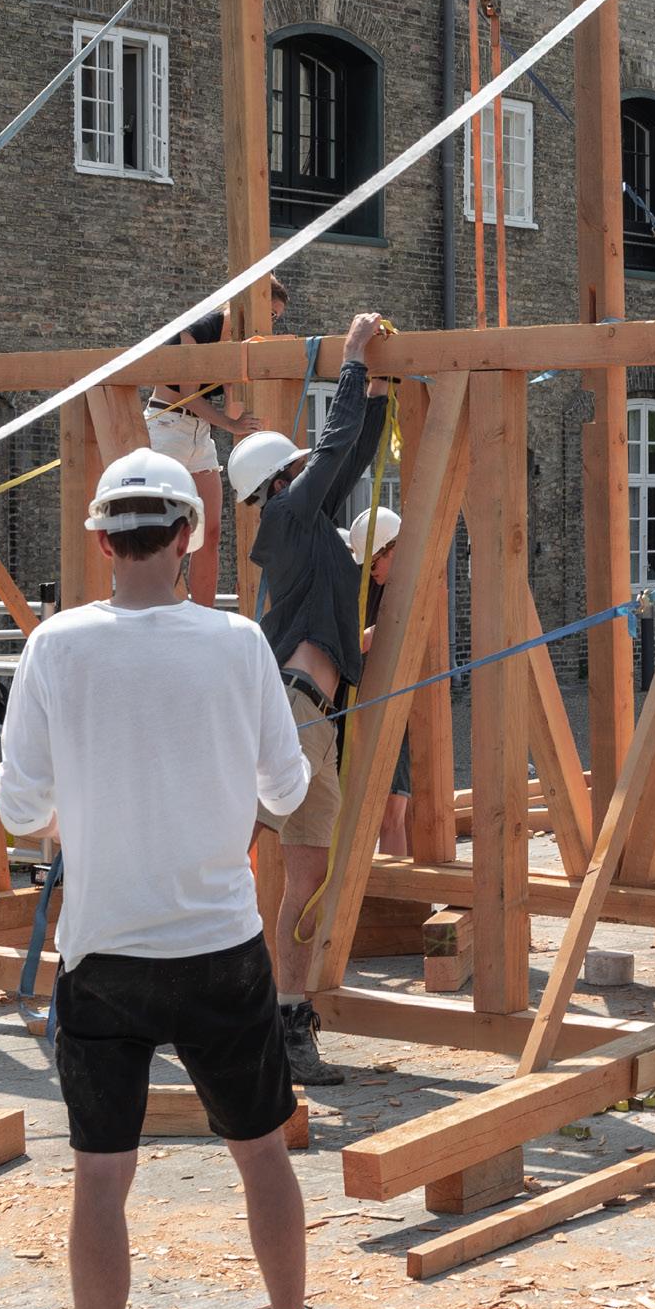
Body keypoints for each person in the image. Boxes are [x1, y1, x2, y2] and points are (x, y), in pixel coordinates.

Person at [0, 449, 323, 1309]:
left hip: (107, 951)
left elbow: (18, 805)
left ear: (101, 538)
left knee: (101, 1177)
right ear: (189, 536)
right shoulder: (236, 643)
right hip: (222, 944)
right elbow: (288, 788)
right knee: (262, 1149)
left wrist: (76, 811)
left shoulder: (57, 646)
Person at [226, 310, 389, 1085]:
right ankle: (183, 989)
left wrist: (378, 395)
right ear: (280, 482)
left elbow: (347, 457)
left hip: (318, 723)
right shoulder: (290, 517)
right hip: (292, 714)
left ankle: (289, 1021)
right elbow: (332, 451)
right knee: (227, 852)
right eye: (298, 469)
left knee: (305, 880)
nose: (309, 474)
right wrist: (352, 359)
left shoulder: (309, 523)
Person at [144, 308, 263, 615]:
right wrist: (231, 424)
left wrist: (235, 384)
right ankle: (156, 610)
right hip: (168, 424)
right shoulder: (198, 328)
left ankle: (202, 617)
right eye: (271, 313)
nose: (270, 321)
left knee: (210, 531)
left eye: (274, 316)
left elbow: (232, 407)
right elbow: (189, 396)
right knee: (164, 526)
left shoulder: (232, 344)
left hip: (199, 434)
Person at [348, 504, 409, 859]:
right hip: (377, 703)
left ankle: (398, 892)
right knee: (388, 813)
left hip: (397, 705)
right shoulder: (376, 588)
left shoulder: (409, 588)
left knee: (392, 814)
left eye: (373, 564)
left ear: (393, 549)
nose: (370, 573)